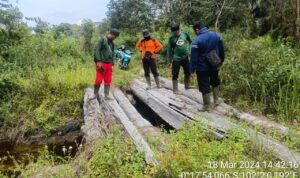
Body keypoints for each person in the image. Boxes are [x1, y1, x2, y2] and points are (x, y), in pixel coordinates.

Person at [190, 21, 225, 111]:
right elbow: (221, 49)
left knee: (204, 85)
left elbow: (193, 58)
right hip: (214, 64)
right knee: (215, 81)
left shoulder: (196, 41)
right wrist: (221, 60)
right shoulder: (216, 35)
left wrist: (192, 70)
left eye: (195, 31)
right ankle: (216, 101)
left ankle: (207, 106)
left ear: (197, 30)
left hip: (202, 68)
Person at [93, 28, 120, 100]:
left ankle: (107, 95)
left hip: (109, 64)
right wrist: (98, 61)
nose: (115, 38)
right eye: (115, 37)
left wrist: (112, 65)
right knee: (98, 80)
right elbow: (97, 50)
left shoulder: (112, 43)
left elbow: (112, 54)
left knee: (108, 80)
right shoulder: (102, 40)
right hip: (102, 63)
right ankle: (95, 94)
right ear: (112, 35)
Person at [166, 24, 192, 94]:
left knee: (188, 72)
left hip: (185, 57)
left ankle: (187, 85)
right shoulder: (171, 38)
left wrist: (189, 51)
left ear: (179, 29)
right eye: (174, 32)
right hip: (176, 58)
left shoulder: (185, 34)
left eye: (176, 31)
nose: (175, 33)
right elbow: (169, 50)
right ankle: (175, 90)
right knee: (175, 74)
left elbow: (190, 41)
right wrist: (168, 61)